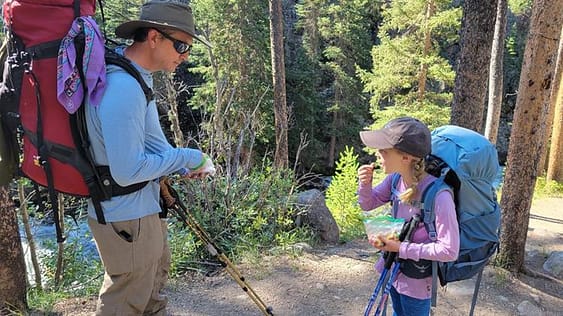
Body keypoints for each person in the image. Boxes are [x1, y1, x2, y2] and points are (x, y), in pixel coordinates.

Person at [85, 0, 213, 314]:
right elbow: (127, 170)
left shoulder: (137, 76)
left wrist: (183, 163)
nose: (185, 56)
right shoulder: (123, 86)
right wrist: (187, 154)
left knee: (152, 289)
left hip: (141, 209)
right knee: (125, 300)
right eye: (181, 45)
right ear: (153, 37)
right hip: (125, 213)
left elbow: (154, 145)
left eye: (189, 49)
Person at [357, 117, 459, 316]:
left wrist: (401, 248)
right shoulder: (395, 179)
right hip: (394, 269)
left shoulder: (439, 196)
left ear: (406, 157)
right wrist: (365, 184)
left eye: (384, 151)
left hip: (417, 281)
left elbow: (449, 250)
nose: (378, 155)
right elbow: (368, 204)